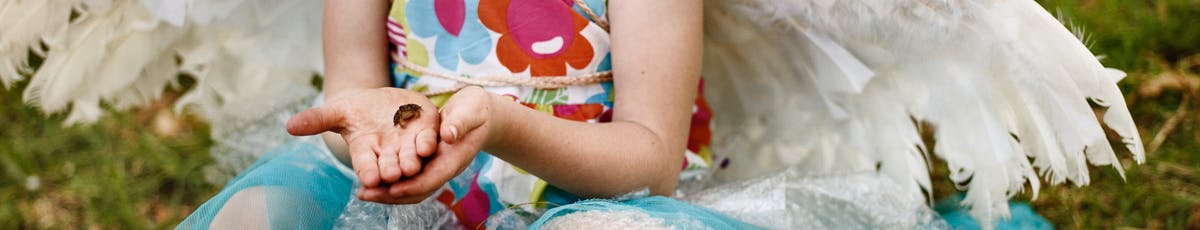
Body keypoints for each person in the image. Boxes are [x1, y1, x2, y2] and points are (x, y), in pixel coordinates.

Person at [179, 0, 744, 228]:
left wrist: (502, 125)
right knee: (254, 216)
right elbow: (349, 91)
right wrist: (366, 136)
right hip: (407, 194)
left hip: (581, 195)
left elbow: (650, 160)